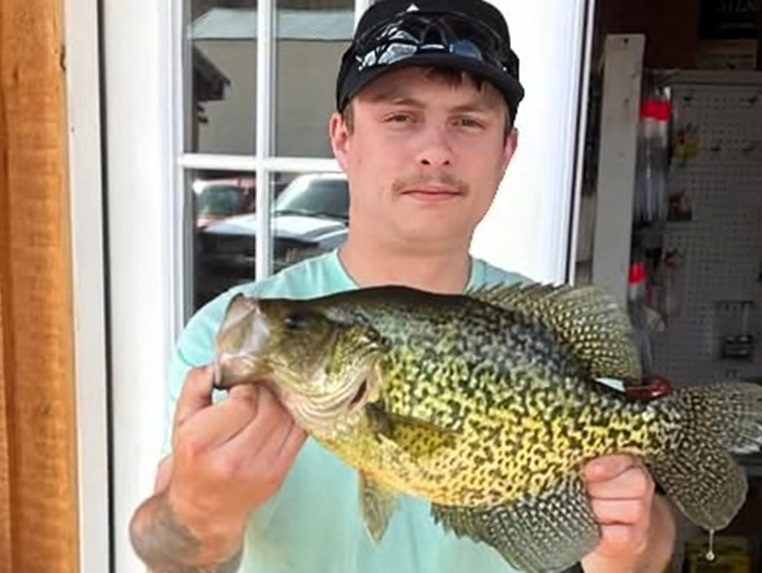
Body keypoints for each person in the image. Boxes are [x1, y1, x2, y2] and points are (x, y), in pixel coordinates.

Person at [128, 1, 677, 572]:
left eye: (468, 122)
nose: (435, 150)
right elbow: (165, 554)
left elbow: (641, 539)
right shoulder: (235, 341)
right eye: (400, 117)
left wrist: (630, 543)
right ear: (343, 139)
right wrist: (198, 511)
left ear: (506, 151)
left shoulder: (540, 332)